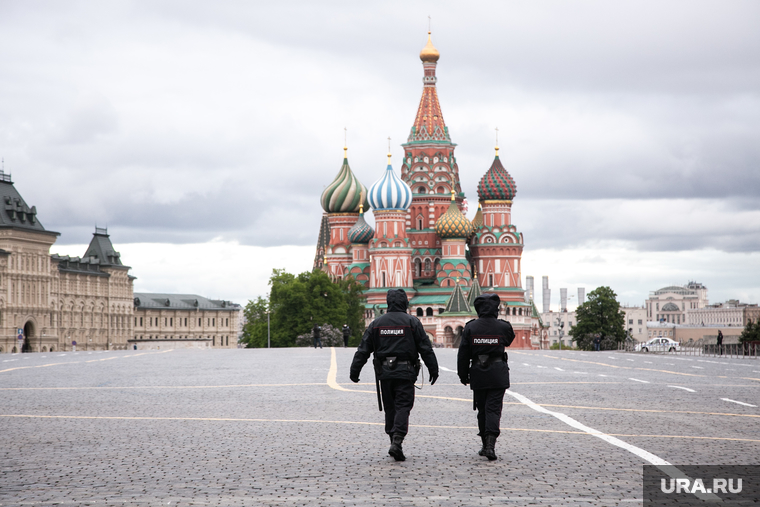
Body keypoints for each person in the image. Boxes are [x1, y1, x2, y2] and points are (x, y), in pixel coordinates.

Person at [350, 289, 439, 461]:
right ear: (405, 303)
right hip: (405, 372)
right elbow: (425, 348)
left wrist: (355, 370)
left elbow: (363, 349)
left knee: (390, 407)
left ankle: (393, 439)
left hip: (385, 373)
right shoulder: (412, 322)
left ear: (388, 303)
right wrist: (433, 369)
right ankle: (397, 441)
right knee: (403, 406)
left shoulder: (377, 323)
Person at [457, 293, 514, 461]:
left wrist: (463, 375)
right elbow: (509, 340)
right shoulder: (503, 327)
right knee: (494, 409)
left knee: (482, 409)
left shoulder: (471, 328)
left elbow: (463, 354)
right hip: (498, 374)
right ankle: (490, 445)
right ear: (495, 309)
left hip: (478, 373)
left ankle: (484, 444)